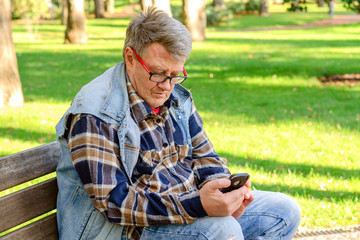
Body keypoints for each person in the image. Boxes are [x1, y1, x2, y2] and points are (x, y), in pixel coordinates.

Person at [55, 7, 301, 240]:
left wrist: (225, 193)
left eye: (176, 74)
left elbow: (206, 157)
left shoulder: (176, 97)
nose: (167, 85)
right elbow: (114, 203)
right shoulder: (95, 114)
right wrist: (199, 206)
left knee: (284, 210)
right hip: (122, 230)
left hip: (183, 211)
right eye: (158, 73)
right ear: (130, 57)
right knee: (221, 231)